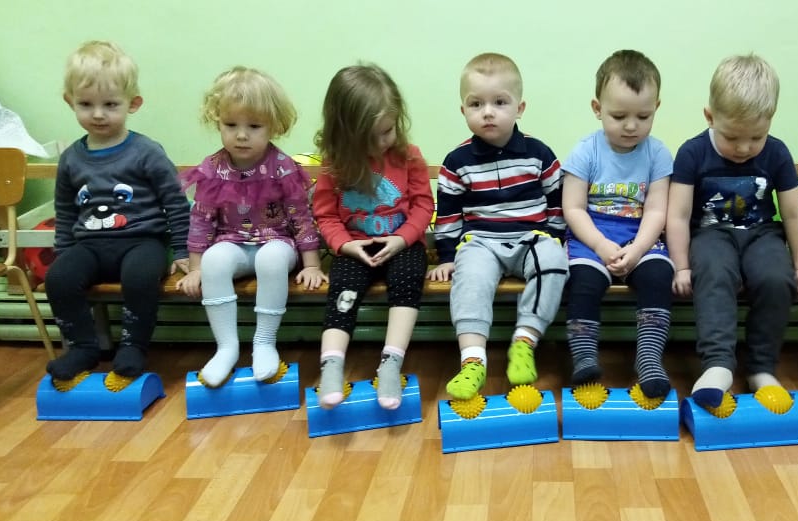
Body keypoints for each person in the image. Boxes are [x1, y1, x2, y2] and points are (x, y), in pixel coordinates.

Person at [666, 54, 798, 409]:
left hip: (762, 234)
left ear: (770, 120)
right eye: (732, 137)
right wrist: (682, 266)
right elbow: (678, 215)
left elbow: (795, 214)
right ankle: (717, 364)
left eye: (756, 137)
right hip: (710, 235)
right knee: (714, 274)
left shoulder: (776, 153)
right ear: (710, 116)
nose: (744, 148)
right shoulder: (692, 153)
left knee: (776, 278)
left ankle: (761, 368)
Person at [45, 40, 192, 384]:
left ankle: (133, 346)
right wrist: (64, 252)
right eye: (86, 104)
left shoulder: (146, 152)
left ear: (133, 104)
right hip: (89, 245)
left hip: (143, 242)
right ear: (70, 101)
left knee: (140, 278)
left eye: (110, 104)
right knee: (58, 278)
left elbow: (176, 201)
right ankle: (83, 347)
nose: (98, 114)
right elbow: (65, 209)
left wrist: (182, 250)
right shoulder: (71, 159)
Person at [428, 52, 568, 400]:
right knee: (470, 279)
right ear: (463, 110)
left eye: (500, 102)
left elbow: (556, 198)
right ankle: (473, 360)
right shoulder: (457, 162)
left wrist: (555, 237)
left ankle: (525, 340)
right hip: (481, 241)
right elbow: (448, 214)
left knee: (554, 263)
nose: (487, 112)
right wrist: (447, 256)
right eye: (476, 104)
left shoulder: (538, 153)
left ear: (520, 108)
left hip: (531, 237)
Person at [177, 67, 326, 387]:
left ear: (273, 126)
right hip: (232, 243)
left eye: (254, 126)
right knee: (214, 260)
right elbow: (201, 219)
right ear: (217, 122)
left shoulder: (282, 167)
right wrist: (196, 267)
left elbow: (301, 217)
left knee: (270, 258)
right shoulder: (213, 168)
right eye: (231, 125)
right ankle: (226, 347)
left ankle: (264, 342)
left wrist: (312, 264)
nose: (241, 135)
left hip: (277, 242)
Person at [312, 65, 433, 410]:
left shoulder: (409, 157)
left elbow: (423, 206)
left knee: (408, 281)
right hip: (355, 247)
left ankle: (391, 362)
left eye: (388, 131)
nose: (382, 142)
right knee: (343, 289)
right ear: (346, 133)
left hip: (402, 244)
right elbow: (326, 215)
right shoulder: (335, 164)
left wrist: (403, 238)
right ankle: (331, 365)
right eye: (371, 136)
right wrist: (346, 245)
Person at [562, 50, 674, 398]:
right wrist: (599, 245)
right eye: (619, 116)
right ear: (597, 108)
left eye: (643, 116)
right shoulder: (586, 151)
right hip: (591, 234)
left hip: (639, 234)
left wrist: (638, 250)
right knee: (583, 281)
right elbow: (573, 208)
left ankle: (649, 358)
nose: (631, 126)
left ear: (657, 107)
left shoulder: (657, 154)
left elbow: (656, 211)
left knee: (658, 275)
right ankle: (584, 356)